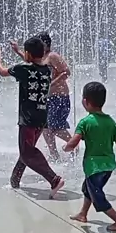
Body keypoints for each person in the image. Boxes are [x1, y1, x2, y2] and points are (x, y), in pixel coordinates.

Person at [0, 37, 65, 197]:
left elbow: (3, 72)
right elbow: (33, 64)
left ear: (28, 54)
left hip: (28, 119)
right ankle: (15, 180)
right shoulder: (47, 70)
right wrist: (18, 51)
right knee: (26, 150)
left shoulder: (23, 69)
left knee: (27, 152)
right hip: (41, 117)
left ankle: (54, 179)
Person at [64, 81, 116, 232]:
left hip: (94, 167)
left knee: (97, 197)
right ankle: (83, 214)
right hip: (108, 166)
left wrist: (66, 147)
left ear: (85, 102)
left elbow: (73, 142)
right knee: (88, 189)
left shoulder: (85, 122)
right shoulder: (110, 122)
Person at [10, 33, 72, 162]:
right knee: (46, 127)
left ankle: (73, 144)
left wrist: (51, 84)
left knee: (54, 128)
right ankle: (54, 155)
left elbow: (66, 72)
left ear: (45, 44)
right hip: (47, 98)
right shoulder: (41, 58)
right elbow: (30, 61)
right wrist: (17, 51)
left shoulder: (53, 56)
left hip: (59, 97)